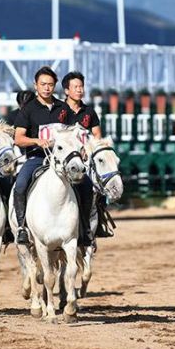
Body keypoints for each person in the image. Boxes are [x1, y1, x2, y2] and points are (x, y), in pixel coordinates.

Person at [13, 66, 71, 245]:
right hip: (37, 159)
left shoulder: (63, 107)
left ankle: (86, 228)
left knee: (84, 184)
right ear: (35, 85)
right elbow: (18, 139)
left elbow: (71, 133)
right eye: (43, 84)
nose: (47, 88)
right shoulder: (28, 110)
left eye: (51, 84)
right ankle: (22, 227)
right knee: (20, 185)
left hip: (62, 159)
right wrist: (37, 141)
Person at [63, 71, 105, 242]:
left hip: (85, 161)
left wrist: (88, 149)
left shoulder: (89, 111)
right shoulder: (59, 110)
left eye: (81, 87)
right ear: (66, 90)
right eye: (76, 87)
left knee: (96, 188)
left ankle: (93, 225)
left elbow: (97, 137)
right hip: (63, 161)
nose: (80, 90)